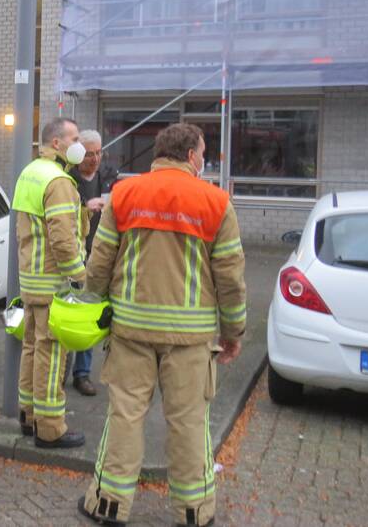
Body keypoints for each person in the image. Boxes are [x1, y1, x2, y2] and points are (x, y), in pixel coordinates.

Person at [79, 123, 247, 527]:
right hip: (190, 340)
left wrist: (97, 303)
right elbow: (231, 278)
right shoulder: (216, 202)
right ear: (191, 155)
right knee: (189, 422)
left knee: (124, 416)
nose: (203, 159)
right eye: (203, 153)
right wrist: (233, 331)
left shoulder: (124, 194)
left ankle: (108, 505)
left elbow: (99, 262)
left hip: (131, 330)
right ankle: (193, 512)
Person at [12, 117, 88, 449]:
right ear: (56, 143)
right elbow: (62, 238)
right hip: (51, 282)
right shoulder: (58, 181)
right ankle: (50, 427)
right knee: (51, 354)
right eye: (74, 137)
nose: (79, 143)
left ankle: (28, 415)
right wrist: (79, 276)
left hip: (31, 280)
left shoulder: (31, 172)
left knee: (31, 348)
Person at [71, 129, 118, 397]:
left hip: (104, 255)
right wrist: (85, 208)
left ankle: (84, 372)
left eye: (99, 152)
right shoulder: (68, 180)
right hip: (78, 256)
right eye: (89, 153)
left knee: (96, 315)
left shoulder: (108, 177)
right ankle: (77, 372)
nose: (95, 158)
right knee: (79, 313)